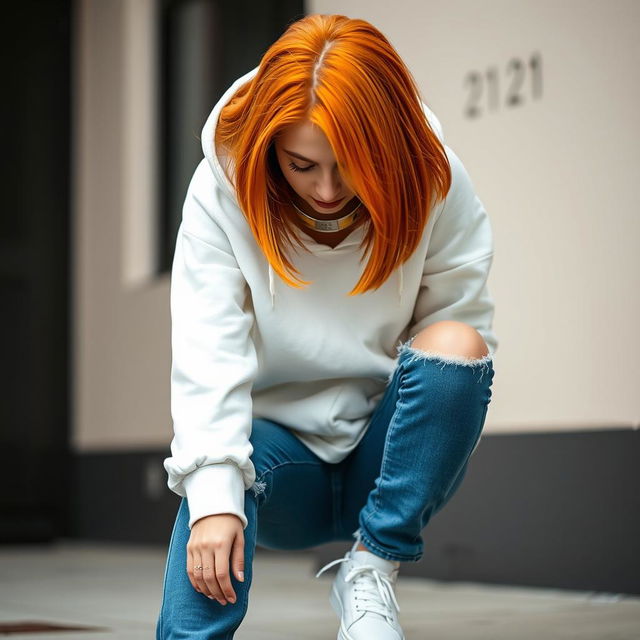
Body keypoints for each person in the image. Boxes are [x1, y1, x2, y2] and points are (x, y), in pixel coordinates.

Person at [156, 12, 497, 640]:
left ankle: (370, 571)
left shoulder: (433, 180)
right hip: (278, 465)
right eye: (301, 164)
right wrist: (212, 498)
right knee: (222, 481)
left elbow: (460, 327)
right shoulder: (222, 187)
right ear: (270, 149)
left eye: (348, 164)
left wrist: (409, 482)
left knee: (460, 343)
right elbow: (210, 347)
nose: (327, 190)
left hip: (387, 464)